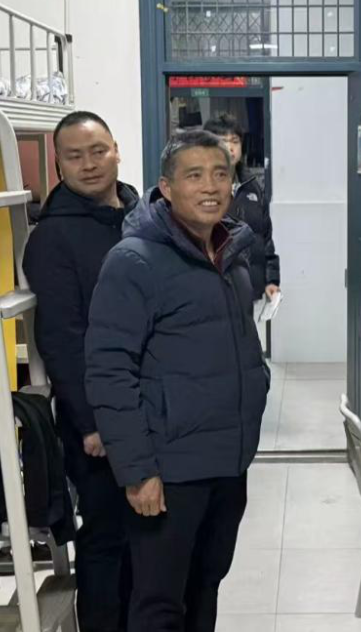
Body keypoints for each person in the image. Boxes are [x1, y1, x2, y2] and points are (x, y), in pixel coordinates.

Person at [85, 129, 268, 632]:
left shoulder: (230, 253)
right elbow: (109, 371)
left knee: (206, 584)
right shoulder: (134, 262)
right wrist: (138, 471)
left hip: (227, 462)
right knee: (160, 602)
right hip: (169, 471)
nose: (210, 187)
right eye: (194, 176)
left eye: (220, 174)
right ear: (166, 188)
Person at [22, 111, 137, 632]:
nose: (89, 164)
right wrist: (92, 423)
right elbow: (62, 338)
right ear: (58, 164)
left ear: (116, 151)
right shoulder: (53, 237)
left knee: (149, 537)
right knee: (107, 535)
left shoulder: (140, 216)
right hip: (97, 419)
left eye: (97, 151)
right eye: (74, 156)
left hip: (146, 406)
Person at [202, 112, 280, 301]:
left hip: (252, 291)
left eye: (234, 141)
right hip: (214, 294)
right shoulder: (199, 187)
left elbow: (266, 239)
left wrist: (271, 280)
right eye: (222, 141)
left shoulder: (252, 187)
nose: (230, 148)